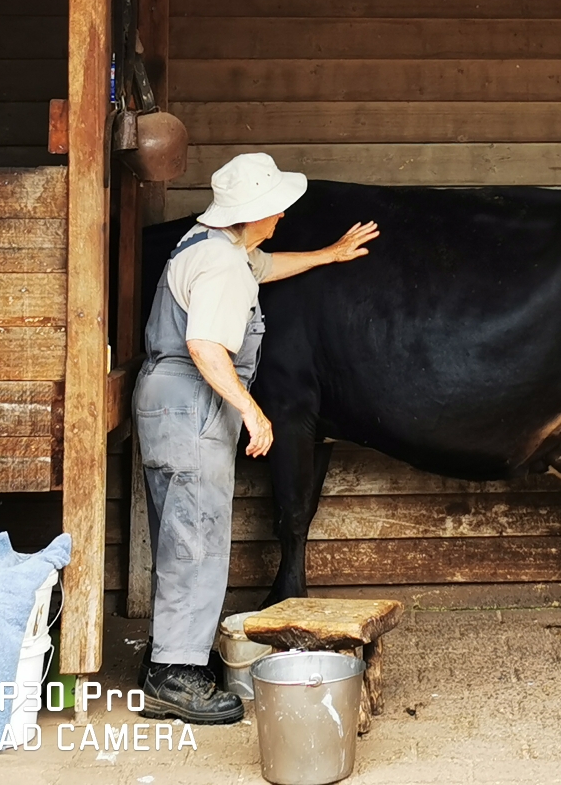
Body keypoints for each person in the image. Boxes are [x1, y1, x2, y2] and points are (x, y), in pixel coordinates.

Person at [134, 152, 378, 723]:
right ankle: (178, 676)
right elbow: (206, 348)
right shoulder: (220, 266)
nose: (281, 216)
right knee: (197, 539)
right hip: (194, 405)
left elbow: (263, 268)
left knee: (178, 537)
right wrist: (253, 411)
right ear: (251, 213)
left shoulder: (210, 245)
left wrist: (330, 255)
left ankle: (170, 661)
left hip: (167, 404)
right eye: (274, 209)